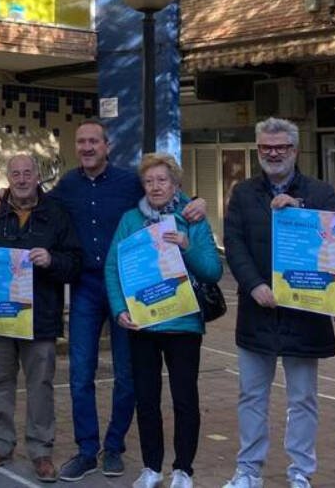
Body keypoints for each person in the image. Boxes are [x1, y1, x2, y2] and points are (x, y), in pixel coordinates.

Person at [0, 120, 206, 481]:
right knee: (80, 373)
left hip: (128, 286)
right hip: (86, 286)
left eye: (94, 141)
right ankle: (87, 449)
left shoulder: (129, 182)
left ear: (108, 146)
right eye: (82, 142)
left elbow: (163, 190)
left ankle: (114, 447)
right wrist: (1, 192)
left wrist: (196, 201)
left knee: (127, 374)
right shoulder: (67, 185)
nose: (87, 147)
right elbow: (31, 196)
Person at [221, 117, 335, 488]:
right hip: (257, 312)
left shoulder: (321, 193)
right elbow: (235, 244)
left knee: (303, 399)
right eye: (265, 147)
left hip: (304, 313)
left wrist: (300, 211)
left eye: (281, 147)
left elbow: (334, 243)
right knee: (251, 397)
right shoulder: (243, 193)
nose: (273, 153)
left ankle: (300, 473)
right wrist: (254, 285)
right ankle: (248, 471)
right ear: (258, 150)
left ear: (294, 149)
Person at [0, 154, 82, 482]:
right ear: (8, 177)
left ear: (37, 176)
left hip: (40, 318)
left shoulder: (55, 214)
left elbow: (74, 262)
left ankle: (41, 451)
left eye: (28, 173)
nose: (23, 178)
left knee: (40, 385)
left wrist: (52, 260)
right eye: (16, 173)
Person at [104, 153, 222, 488]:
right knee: (147, 399)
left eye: (162, 180)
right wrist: (118, 309)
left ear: (176, 184)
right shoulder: (130, 220)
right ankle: (151, 468)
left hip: (184, 325)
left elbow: (213, 271)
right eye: (149, 181)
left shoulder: (192, 218)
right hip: (143, 324)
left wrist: (186, 245)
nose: (156, 187)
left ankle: (183, 469)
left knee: (185, 399)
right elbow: (113, 267)